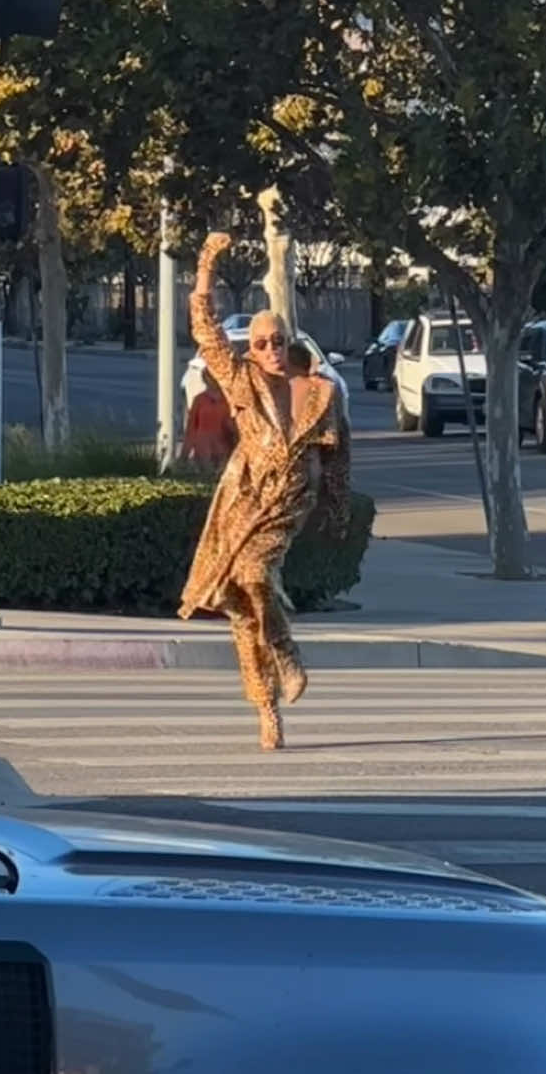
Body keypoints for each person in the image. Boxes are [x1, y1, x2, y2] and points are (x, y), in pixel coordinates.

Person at [179, 231, 351, 750]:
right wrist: (207, 266)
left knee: (255, 574)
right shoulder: (241, 381)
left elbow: (338, 456)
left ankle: (287, 653)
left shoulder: (320, 392)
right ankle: (265, 706)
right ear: (250, 351)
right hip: (243, 497)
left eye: (278, 341)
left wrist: (337, 508)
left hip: (288, 498)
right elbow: (206, 330)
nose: (272, 351)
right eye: (260, 344)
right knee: (240, 606)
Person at [181, 369, 238, 470]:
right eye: (208, 377)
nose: (211, 380)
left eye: (214, 377)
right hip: (203, 448)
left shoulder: (229, 399)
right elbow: (191, 428)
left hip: (224, 447)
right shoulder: (199, 400)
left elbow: (235, 426)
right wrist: (184, 456)